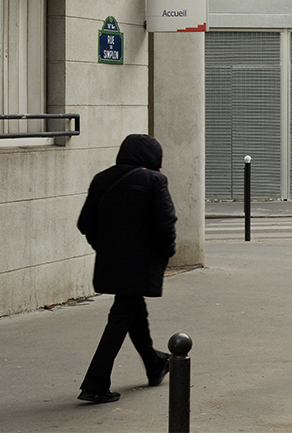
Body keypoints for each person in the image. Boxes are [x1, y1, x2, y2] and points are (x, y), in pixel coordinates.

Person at [76, 133, 177, 403]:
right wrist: (165, 254)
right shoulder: (155, 181)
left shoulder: (102, 179)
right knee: (121, 317)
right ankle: (95, 383)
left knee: (132, 311)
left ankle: (154, 365)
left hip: (111, 263)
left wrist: (107, 248)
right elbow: (165, 225)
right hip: (141, 264)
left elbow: (85, 222)